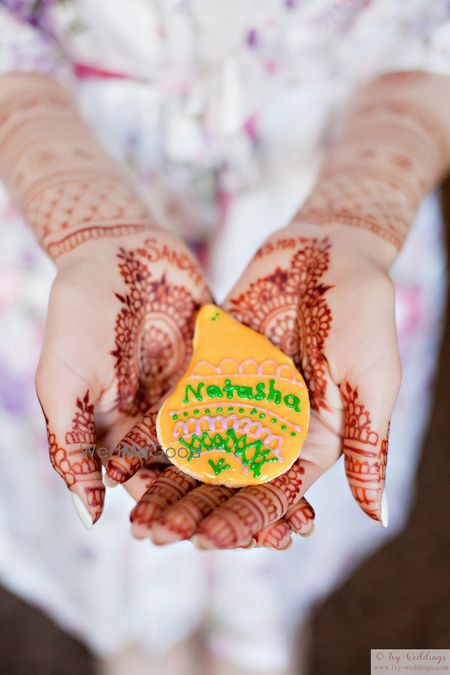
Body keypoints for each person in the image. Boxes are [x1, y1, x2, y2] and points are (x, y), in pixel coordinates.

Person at [0, 2, 449, 673]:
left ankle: (256, 640)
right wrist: (79, 208)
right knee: (114, 559)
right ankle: (139, 642)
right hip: (66, 251)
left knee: (273, 575)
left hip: (334, 235)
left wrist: (358, 217)